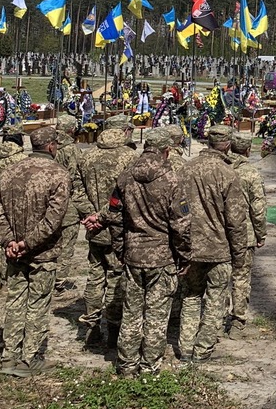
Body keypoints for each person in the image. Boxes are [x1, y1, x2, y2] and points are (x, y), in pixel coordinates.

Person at [88, 126, 191, 376]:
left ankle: (126, 364)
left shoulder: (125, 177)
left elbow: (114, 216)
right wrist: (185, 255)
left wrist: (121, 248)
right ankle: (149, 366)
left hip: (133, 254)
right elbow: (182, 224)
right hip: (162, 256)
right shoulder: (172, 180)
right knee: (156, 313)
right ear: (167, 151)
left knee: (132, 311)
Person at [0, 125, 72, 377]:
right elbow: (53, 219)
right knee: (37, 302)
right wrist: (27, 243)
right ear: (51, 146)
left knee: (15, 300)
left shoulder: (9, 171)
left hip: (15, 250)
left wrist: (9, 241)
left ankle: (9, 356)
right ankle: (30, 359)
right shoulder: (59, 174)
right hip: (42, 252)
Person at [177, 125, 248, 363]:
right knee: (215, 299)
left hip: (189, 248)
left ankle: (186, 346)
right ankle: (203, 348)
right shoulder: (228, 174)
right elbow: (236, 221)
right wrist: (239, 255)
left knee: (190, 296)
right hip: (219, 250)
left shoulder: (185, 170)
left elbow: (176, 209)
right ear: (227, 145)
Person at [75, 126, 137, 348]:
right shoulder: (129, 158)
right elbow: (126, 195)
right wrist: (101, 216)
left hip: (94, 228)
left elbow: (77, 189)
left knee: (94, 276)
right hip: (117, 227)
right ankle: (113, 326)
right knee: (116, 277)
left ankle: (91, 325)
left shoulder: (87, 157)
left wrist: (89, 214)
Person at [227, 132, 267, 338]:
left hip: (221, 233)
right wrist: (261, 233)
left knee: (221, 277)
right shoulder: (250, 173)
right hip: (245, 233)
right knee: (241, 277)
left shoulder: (221, 169)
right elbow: (258, 208)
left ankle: (215, 319)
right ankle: (237, 320)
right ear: (248, 150)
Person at [0, 130, 29, 289]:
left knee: (0, 237)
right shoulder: (23, 160)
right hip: (17, 202)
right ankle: (12, 273)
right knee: (16, 237)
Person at [53, 115, 84, 289]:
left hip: (48, 200)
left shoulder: (47, 143)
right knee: (66, 244)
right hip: (67, 202)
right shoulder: (71, 149)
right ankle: (59, 280)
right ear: (72, 129)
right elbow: (74, 175)